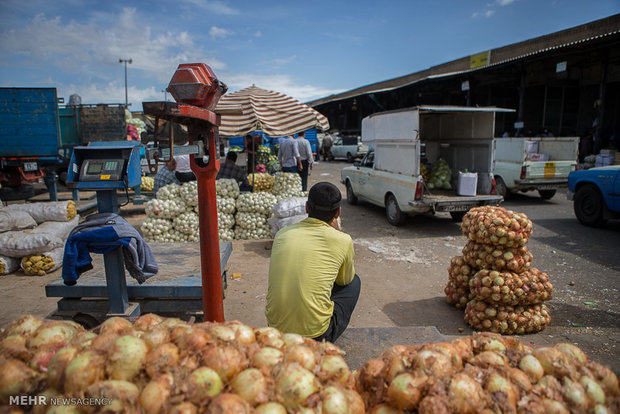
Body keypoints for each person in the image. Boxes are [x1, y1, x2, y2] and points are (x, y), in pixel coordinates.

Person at [265, 182, 361, 342]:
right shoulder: (343, 240)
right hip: (316, 335)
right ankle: (324, 329)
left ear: (307, 208)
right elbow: (344, 280)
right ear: (338, 212)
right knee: (354, 282)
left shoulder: (282, 234)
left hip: (277, 330)